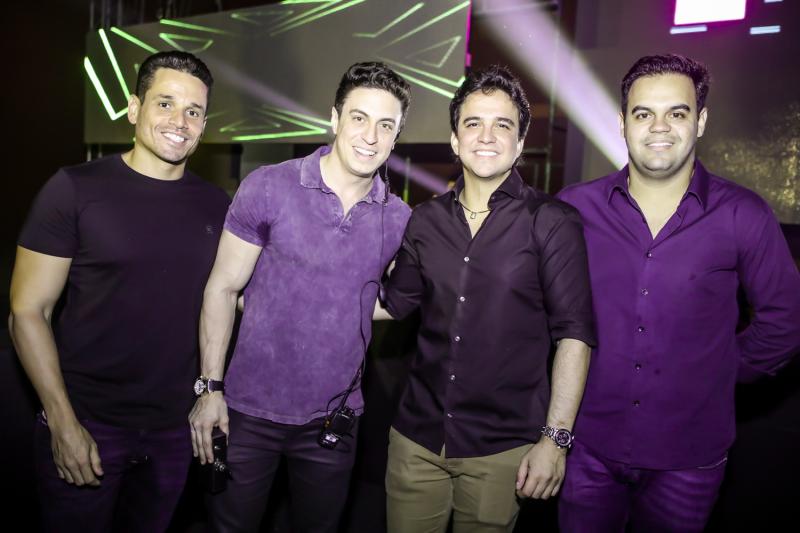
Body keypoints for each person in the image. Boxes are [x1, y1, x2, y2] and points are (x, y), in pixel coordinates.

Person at [556, 53, 800, 532]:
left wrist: (723, 367)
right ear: (623, 123)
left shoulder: (743, 214)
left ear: (701, 121)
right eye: (643, 113)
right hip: (587, 448)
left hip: (689, 458)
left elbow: (787, 318)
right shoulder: (575, 208)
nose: (659, 127)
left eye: (677, 113)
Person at [9, 51, 229, 532]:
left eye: (193, 111)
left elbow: (235, 299)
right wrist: (62, 422)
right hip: (88, 423)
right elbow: (27, 312)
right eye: (165, 104)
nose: (180, 121)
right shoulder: (73, 189)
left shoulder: (218, 206)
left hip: (175, 431)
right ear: (133, 109)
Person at [189, 62, 412, 533]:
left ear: (396, 137)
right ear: (334, 118)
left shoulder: (398, 218)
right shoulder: (269, 186)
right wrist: (210, 390)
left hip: (335, 420)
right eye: (359, 117)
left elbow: (396, 301)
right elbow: (223, 287)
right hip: (247, 412)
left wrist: (341, 310)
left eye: (385, 125)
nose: (370, 136)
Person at [380, 65, 596, 533]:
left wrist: (555, 441)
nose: (486, 136)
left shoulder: (552, 221)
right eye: (473, 123)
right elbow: (394, 304)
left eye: (503, 125)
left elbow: (575, 336)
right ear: (455, 139)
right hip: (416, 440)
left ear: (520, 143)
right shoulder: (425, 220)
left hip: (502, 450)